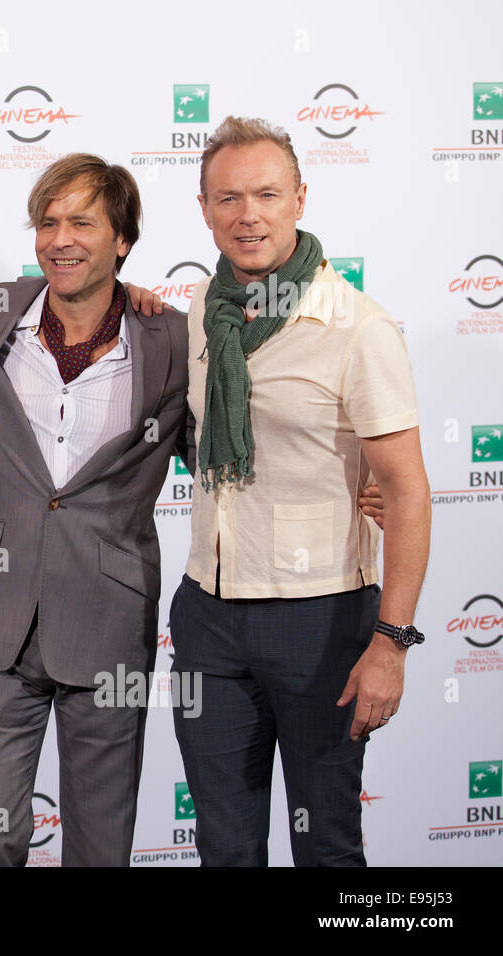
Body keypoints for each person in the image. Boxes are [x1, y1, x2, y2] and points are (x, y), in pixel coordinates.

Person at [172, 116, 431, 866]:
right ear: (204, 209)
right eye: (227, 198)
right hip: (209, 617)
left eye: (265, 194)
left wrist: (392, 642)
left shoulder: (356, 325)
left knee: (326, 848)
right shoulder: (201, 314)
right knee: (223, 846)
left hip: (320, 622)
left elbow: (408, 494)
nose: (247, 214)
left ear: (299, 200)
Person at [0, 154, 192, 866]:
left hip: (108, 618)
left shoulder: (171, 339)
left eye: (83, 221)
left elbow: (216, 459)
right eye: (48, 221)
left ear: (122, 240)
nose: (61, 238)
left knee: (100, 846)